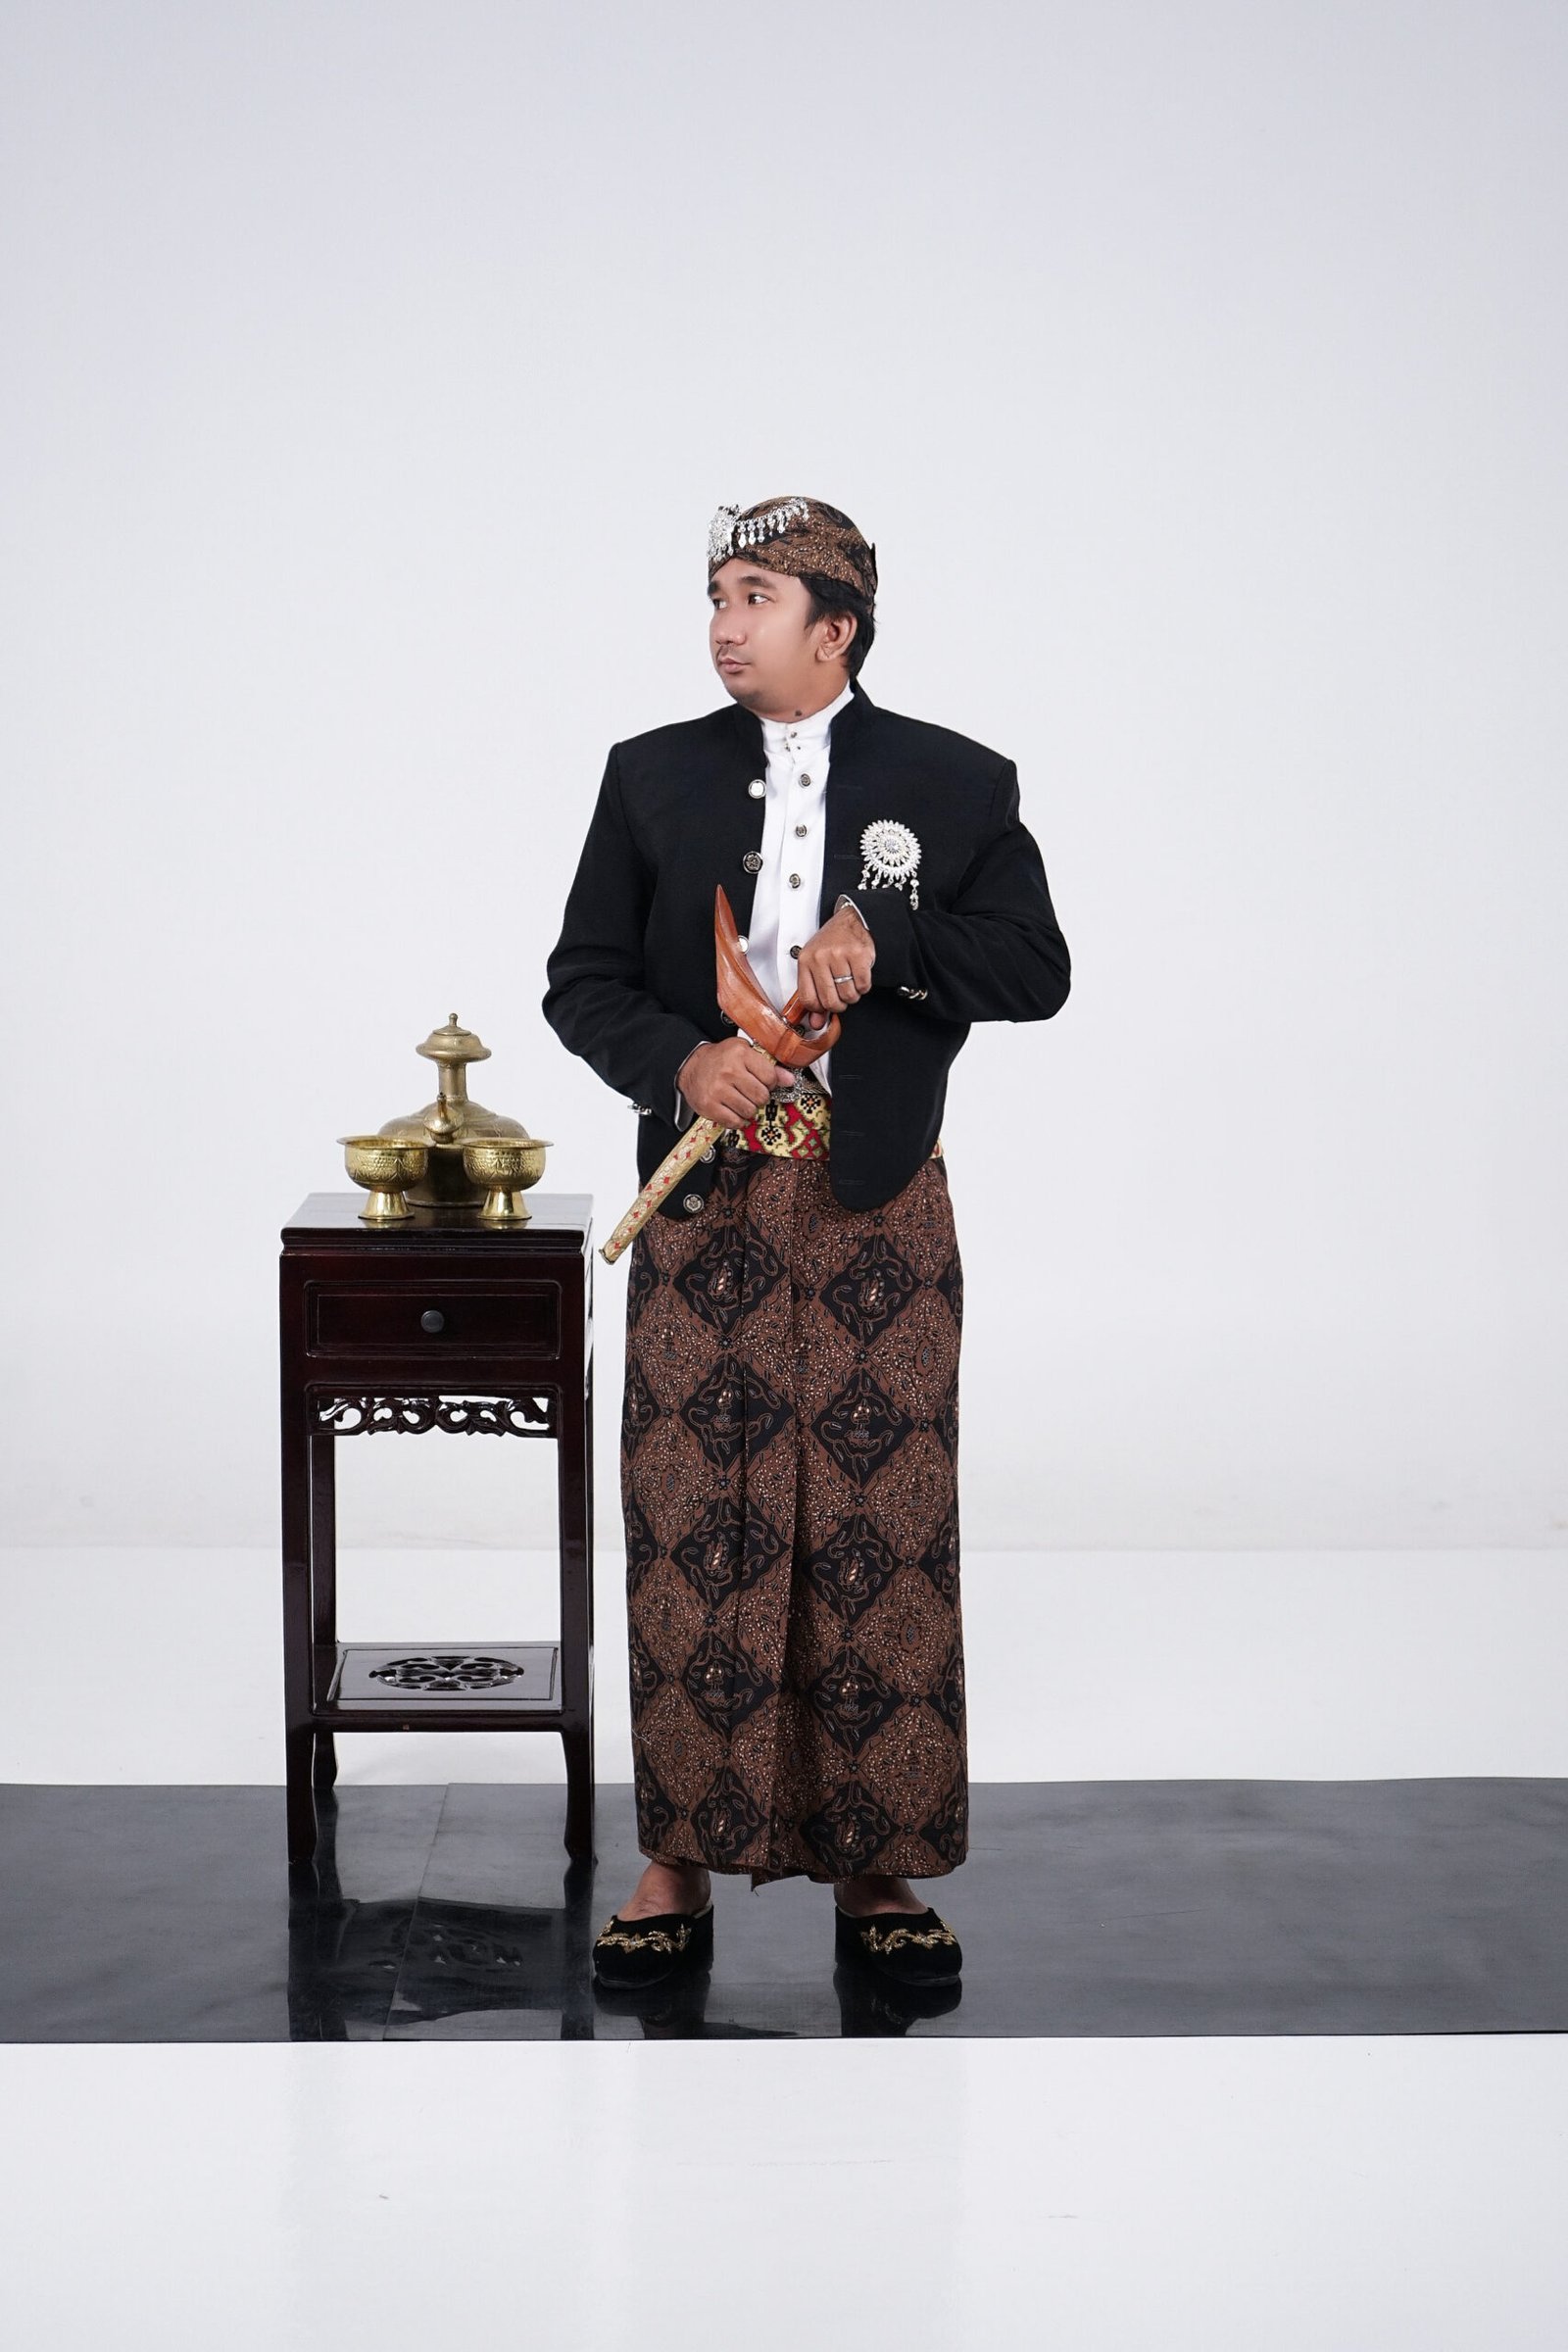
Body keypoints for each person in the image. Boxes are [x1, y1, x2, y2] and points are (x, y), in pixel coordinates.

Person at [542, 495, 1070, 1992]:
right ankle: (676, 1855)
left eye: (754, 597)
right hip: (704, 1198)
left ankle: (874, 1862)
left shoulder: (955, 781)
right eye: (716, 596)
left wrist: (889, 943)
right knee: (690, 1516)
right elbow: (582, 978)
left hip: (875, 1199)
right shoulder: (649, 775)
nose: (723, 626)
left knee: (875, 1525)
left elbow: (1035, 966)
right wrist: (681, 1061)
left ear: (834, 627)